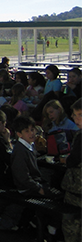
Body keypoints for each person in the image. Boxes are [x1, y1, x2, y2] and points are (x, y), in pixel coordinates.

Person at [62, 98, 82, 242]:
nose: (76, 119)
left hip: (77, 190)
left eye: (80, 114)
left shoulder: (80, 137)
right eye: (75, 115)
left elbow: (73, 161)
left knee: (72, 225)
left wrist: (65, 160)